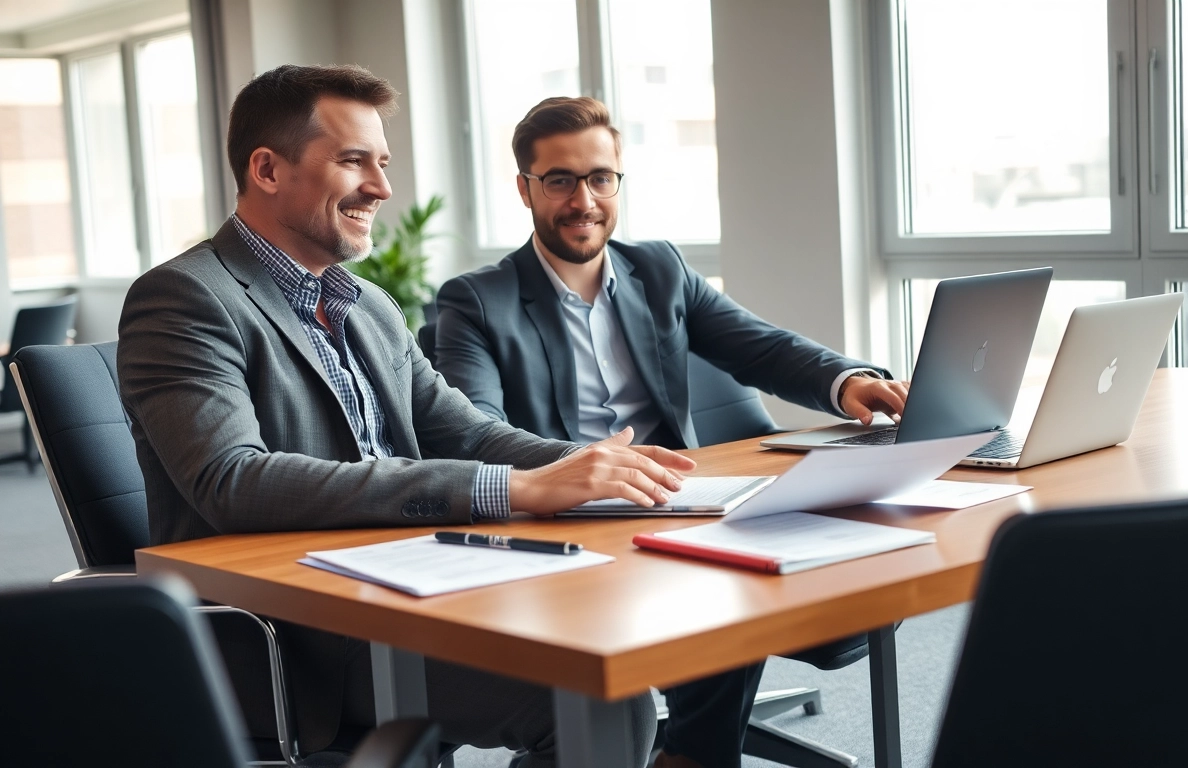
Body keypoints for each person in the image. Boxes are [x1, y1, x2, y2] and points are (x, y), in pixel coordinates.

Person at [117, 65, 693, 767]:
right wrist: (510, 490)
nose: (383, 189)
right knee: (601, 697)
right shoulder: (185, 298)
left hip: (419, 580)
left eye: (382, 163)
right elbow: (232, 480)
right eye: (353, 161)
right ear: (267, 169)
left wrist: (587, 468)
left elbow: (466, 430)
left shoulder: (367, 305)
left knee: (619, 631)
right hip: (304, 632)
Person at [433, 96, 911, 768]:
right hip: (563, 521)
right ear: (526, 188)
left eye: (601, 178)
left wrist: (849, 381)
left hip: (671, 504)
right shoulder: (478, 300)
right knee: (717, 579)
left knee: (777, 555)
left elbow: (762, 347)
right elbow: (473, 430)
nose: (584, 200)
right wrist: (581, 471)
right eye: (561, 180)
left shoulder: (658, 269)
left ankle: (687, 755)